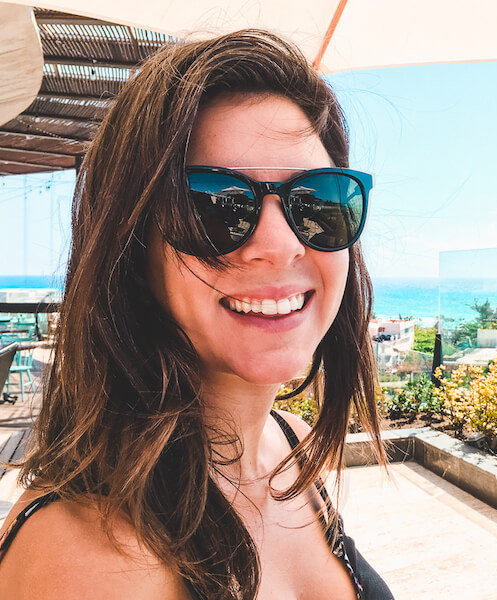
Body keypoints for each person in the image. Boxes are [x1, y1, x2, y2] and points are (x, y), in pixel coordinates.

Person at [0, 30, 392, 600]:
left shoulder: (291, 450)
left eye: (318, 200)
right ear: (131, 251)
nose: (280, 245)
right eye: (214, 205)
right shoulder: (87, 559)